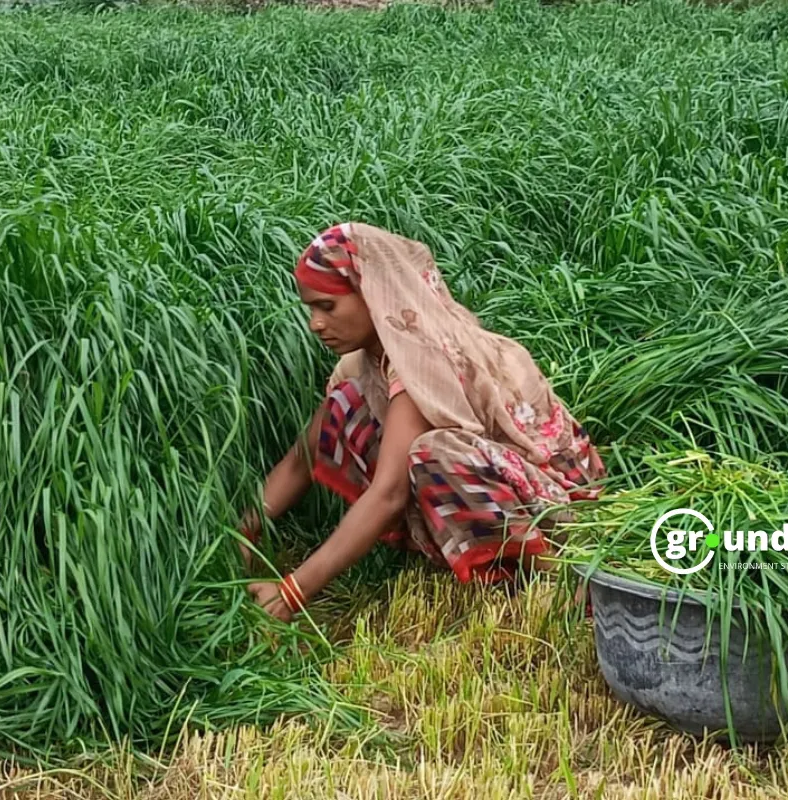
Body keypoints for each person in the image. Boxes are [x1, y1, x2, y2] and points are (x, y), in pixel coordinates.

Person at [242, 222, 605, 622]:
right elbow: (301, 460)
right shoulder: (368, 363)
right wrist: (242, 533)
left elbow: (389, 495)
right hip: (506, 487)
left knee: (433, 453)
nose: (315, 323)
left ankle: (566, 579)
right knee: (343, 406)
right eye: (310, 309)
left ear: (374, 294)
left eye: (327, 306)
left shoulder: (420, 355)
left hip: (559, 509)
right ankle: (490, 563)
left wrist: (293, 591)